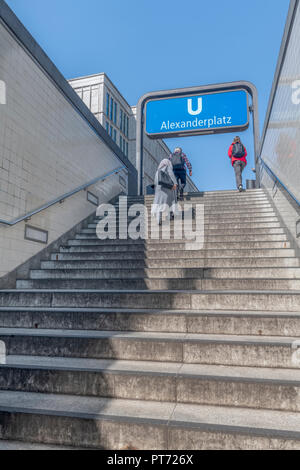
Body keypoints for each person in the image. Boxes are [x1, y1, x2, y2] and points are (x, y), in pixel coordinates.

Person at [151, 159, 178, 225]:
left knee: (159, 203)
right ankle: (171, 215)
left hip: (158, 189)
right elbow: (171, 175)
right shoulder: (167, 167)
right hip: (166, 188)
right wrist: (175, 183)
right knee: (170, 201)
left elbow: (155, 181)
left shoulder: (158, 171)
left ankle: (158, 219)